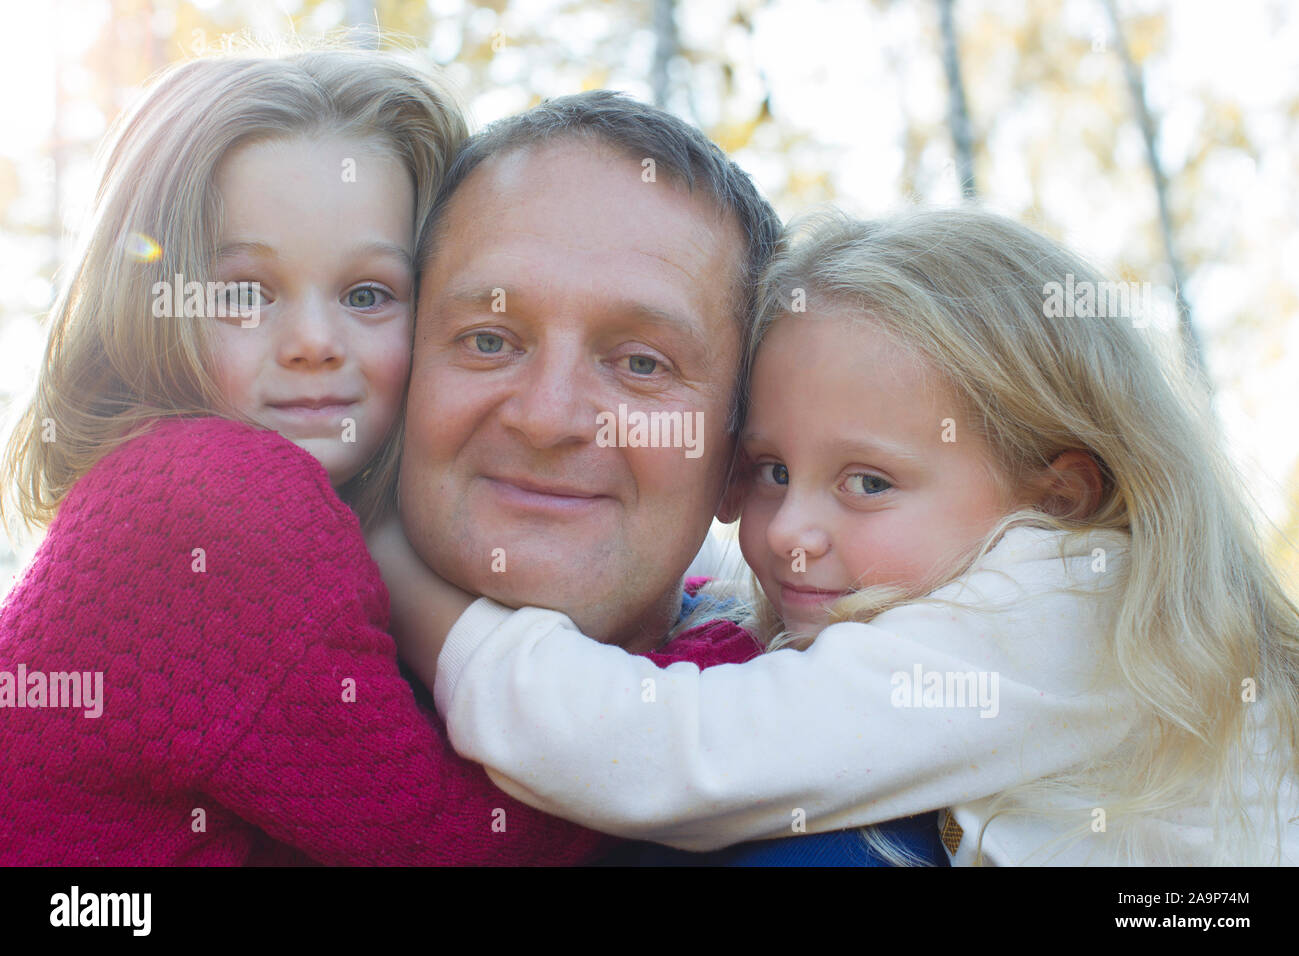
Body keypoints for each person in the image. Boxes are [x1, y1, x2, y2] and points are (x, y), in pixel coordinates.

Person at [0, 49, 750, 866]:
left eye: (367, 294)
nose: (316, 343)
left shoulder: (256, 508)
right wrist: (710, 673)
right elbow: (442, 840)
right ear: (150, 308)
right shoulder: (216, 501)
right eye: (244, 294)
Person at [394, 207, 1299, 865]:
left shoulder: (1076, 598)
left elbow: (675, 754)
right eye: (770, 471)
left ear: (1059, 496)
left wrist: (402, 572)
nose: (791, 531)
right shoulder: (955, 578)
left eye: (868, 483)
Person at [376, 92, 946, 865]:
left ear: (738, 466)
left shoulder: (867, 789)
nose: (549, 417)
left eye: (642, 363)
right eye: (488, 339)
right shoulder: (211, 669)